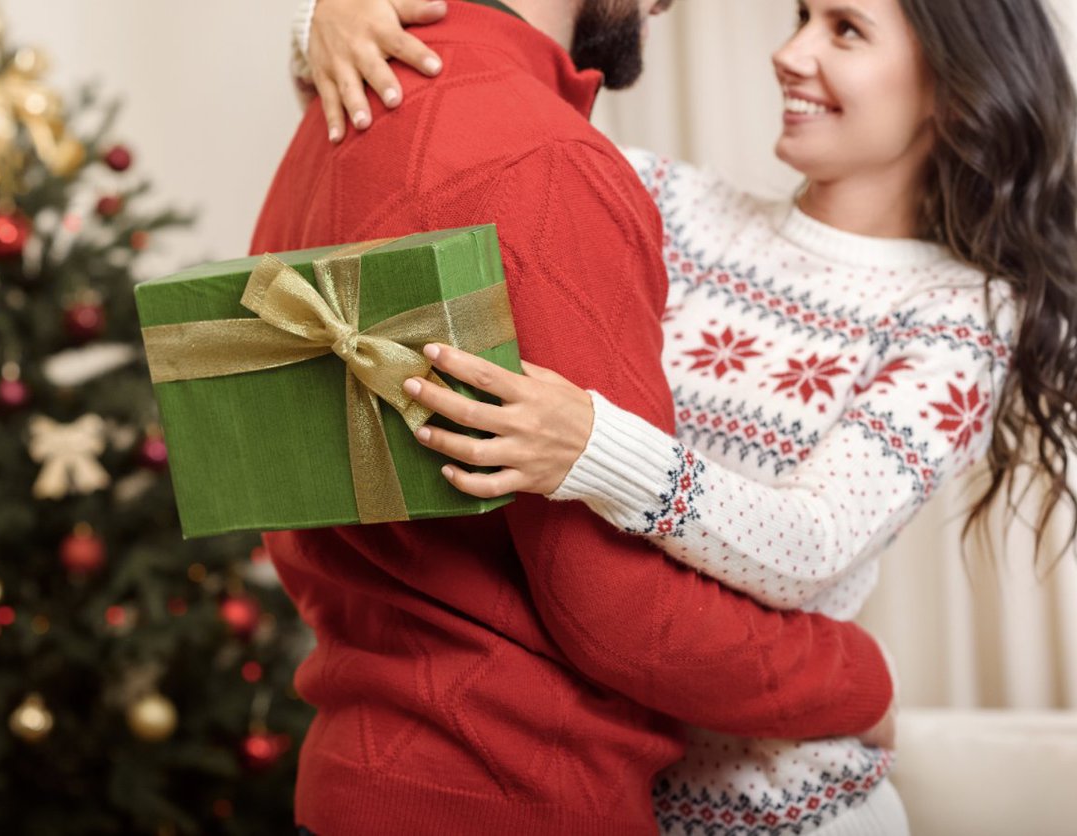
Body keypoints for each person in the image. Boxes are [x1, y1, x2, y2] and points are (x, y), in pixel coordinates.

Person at [294, 0, 1077, 833]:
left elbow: (811, 541)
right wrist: (328, 19)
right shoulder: (671, 201)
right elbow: (468, 134)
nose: (791, 53)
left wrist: (593, 447)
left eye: (844, 30)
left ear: (951, 93)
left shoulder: (961, 313)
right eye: (802, 17)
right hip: (619, 792)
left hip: (792, 811)